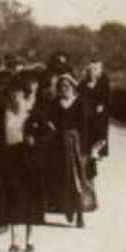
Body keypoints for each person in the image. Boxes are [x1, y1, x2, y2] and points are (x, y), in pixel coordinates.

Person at [0, 75, 41, 252]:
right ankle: (15, 242)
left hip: (30, 160)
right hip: (10, 159)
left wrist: (36, 141)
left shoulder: (33, 113)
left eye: (18, 94)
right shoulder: (3, 114)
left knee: (30, 199)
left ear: (24, 95)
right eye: (11, 94)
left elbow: (49, 134)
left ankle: (30, 239)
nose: (14, 97)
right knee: (13, 199)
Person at [40, 73, 98, 227]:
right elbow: (48, 121)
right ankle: (68, 208)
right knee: (62, 179)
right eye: (60, 86)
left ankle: (79, 213)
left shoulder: (80, 103)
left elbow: (86, 127)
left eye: (66, 86)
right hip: (58, 146)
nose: (63, 89)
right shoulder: (55, 104)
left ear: (73, 87)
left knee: (77, 179)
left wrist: (88, 149)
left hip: (76, 146)